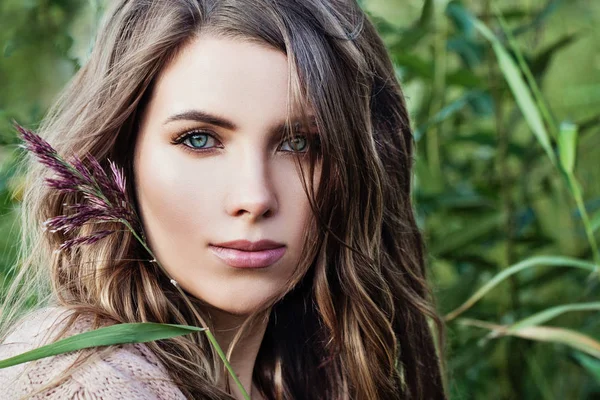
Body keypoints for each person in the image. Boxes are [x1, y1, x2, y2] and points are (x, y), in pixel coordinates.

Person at [0, 0, 446, 398]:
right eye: (198, 139)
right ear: (120, 152)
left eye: (299, 144)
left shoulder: (305, 377)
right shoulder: (77, 380)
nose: (254, 198)